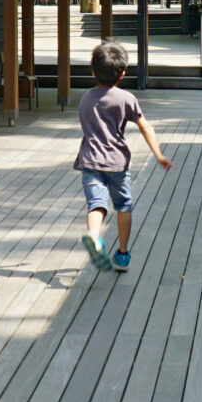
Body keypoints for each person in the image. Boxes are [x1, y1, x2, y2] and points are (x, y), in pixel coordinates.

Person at [73, 40, 170, 274]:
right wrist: (158, 154)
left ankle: (94, 237)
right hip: (117, 163)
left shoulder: (86, 99)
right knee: (124, 206)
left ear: (93, 71)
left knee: (96, 205)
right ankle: (123, 254)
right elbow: (145, 126)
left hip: (90, 162)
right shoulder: (126, 99)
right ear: (123, 74)